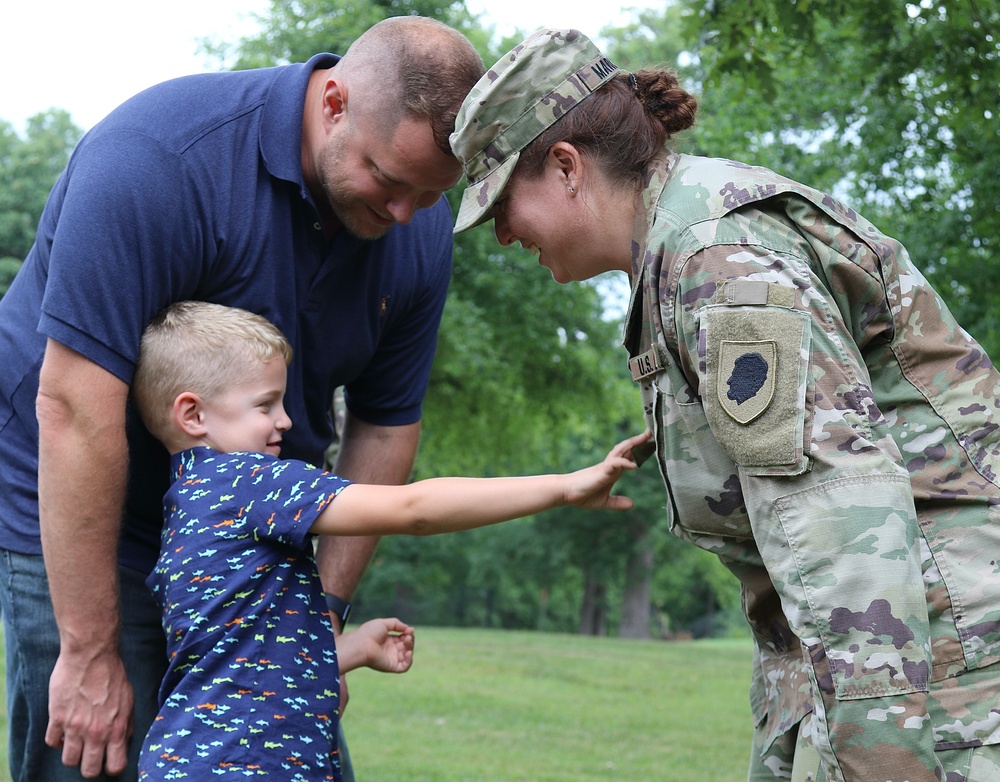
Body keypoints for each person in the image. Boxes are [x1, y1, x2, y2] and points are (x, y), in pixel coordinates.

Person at [449, 28, 1000, 782]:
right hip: (895, 669)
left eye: (502, 204)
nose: (504, 236)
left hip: (941, 680)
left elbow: (838, 520)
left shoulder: (718, 258)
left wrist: (883, 763)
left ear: (567, 167)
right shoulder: (683, 249)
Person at [0, 15, 485, 782]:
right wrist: (89, 651)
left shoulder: (415, 230)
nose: (404, 216)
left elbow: (386, 427)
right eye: (390, 180)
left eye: (430, 195)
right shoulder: (157, 162)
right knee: (98, 746)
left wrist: (319, 620)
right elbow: (72, 409)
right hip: (83, 501)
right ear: (333, 103)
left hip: (253, 537)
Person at [130, 300, 648, 781]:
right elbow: (413, 509)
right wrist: (565, 487)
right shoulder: (249, 480)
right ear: (193, 415)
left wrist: (347, 650)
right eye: (265, 405)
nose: (286, 420)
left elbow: (238, 659)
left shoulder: (188, 506)